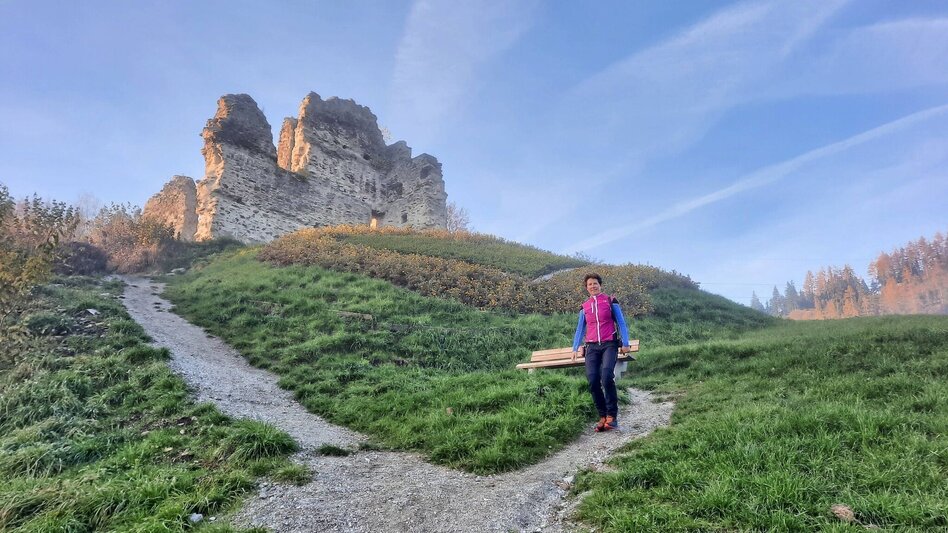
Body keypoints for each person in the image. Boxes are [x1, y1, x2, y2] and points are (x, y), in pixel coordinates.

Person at [571, 272, 632, 432]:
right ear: (586, 288)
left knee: (606, 376)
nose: (593, 286)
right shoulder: (584, 307)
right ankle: (602, 416)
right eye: (589, 284)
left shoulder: (611, 301)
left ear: (600, 285)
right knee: (592, 380)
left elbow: (621, 323)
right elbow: (580, 328)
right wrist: (575, 347)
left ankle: (612, 416)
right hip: (591, 347)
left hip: (609, 345)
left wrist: (625, 343)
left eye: (595, 283)